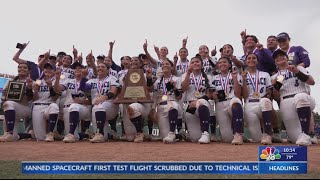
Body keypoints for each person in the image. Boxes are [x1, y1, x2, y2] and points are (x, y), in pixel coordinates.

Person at [271, 49, 315, 146]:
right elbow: (276, 97)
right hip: (286, 101)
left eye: (282, 55)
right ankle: (305, 136)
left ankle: (305, 134)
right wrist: (275, 87)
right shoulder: (275, 76)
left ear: (287, 58)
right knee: (295, 138)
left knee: (300, 97)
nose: (279, 57)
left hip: (304, 97)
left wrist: (296, 71)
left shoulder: (299, 68)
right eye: (276, 57)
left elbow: (312, 82)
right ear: (275, 62)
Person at [79, 62, 120, 143]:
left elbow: (113, 92)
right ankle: (109, 135)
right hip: (96, 107)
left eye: (103, 67)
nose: (100, 68)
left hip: (110, 105)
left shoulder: (112, 78)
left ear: (108, 70)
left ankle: (100, 134)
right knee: (103, 136)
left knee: (99, 107)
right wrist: (83, 77)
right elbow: (83, 88)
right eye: (98, 67)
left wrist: (104, 97)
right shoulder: (92, 80)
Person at [54, 61, 91, 143]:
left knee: (74, 106)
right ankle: (85, 135)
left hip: (82, 108)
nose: (78, 69)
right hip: (67, 108)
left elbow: (90, 100)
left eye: (80, 68)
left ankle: (71, 134)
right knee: (75, 137)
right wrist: (57, 79)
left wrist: (81, 101)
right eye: (76, 68)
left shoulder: (88, 82)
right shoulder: (68, 81)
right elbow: (58, 89)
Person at [118, 57, 153, 143]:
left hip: (142, 104)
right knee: (130, 138)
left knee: (133, 107)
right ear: (129, 63)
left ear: (140, 64)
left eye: (136, 60)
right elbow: (121, 91)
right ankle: (142, 134)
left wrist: (149, 78)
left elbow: (150, 89)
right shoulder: (123, 76)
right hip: (127, 104)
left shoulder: (144, 75)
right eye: (132, 60)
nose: (133, 62)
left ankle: (140, 133)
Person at [211, 57, 244, 145]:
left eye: (225, 62)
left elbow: (238, 93)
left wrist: (235, 79)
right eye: (220, 62)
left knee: (236, 102)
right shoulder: (213, 78)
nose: (222, 64)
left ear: (229, 65)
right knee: (227, 138)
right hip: (220, 103)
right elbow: (212, 95)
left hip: (232, 99)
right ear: (218, 65)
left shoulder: (236, 74)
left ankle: (238, 134)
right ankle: (233, 134)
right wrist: (213, 95)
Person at [242, 53, 273, 145]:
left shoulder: (265, 74)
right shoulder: (242, 75)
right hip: (249, 103)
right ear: (245, 62)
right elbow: (244, 95)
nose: (251, 60)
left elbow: (269, 90)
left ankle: (268, 134)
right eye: (249, 58)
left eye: (254, 58)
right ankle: (262, 135)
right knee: (257, 139)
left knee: (266, 101)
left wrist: (267, 97)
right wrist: (243, 80)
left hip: (262, 100)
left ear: (257, 61)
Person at [181, 56, 214, 144]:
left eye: (197, 62)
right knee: (195, 138)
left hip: (203, 103)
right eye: (192, 62)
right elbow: (184, 88)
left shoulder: (208, 77)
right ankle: (199, 134)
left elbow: (211, 94)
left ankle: (205, 133)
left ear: (202, 65)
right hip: (190, 106)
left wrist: (198, 100)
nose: (195, 63)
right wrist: (188, 73)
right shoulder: (185, 75)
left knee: (201, 102)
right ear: (189, 65)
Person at [149, 59, 183, 143]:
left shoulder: (177, 79)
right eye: (163, 64)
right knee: (165, 137)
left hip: (173, 102)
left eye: (167, 64)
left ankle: (172, 133)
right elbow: (151, 91)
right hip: (161, 106)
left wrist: (174, 87)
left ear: (172, 67)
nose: (164, 65)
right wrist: (149, 78)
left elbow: (179, 97)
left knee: (172, 105)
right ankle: (178, 135)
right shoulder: (158, 81)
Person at [0, 63, 34, 142]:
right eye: (19, 67)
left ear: (29, 71)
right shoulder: (10, 81)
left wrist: (29, 87)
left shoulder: (32, 82)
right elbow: (4, 95)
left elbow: (31, 98)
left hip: (25, 108)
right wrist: (4, 98)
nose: (21, 69)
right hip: (11, 109)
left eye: (24, 68)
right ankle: (30, 135)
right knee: (13, 137)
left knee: (8, 104)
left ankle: (10, 133)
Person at [31, 62, 60, 142]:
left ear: (54, 70)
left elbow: (55, 98)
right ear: (43, 70)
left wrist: (50, 87)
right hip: (37, 106)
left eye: (51, 68)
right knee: (40, 138)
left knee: (54, 106)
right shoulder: (38, 81)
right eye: (46, 68)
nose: (48, 70)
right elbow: (33, 99)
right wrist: (36, 91)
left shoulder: (56, 81)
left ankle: (50, 132)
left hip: (49, 106)